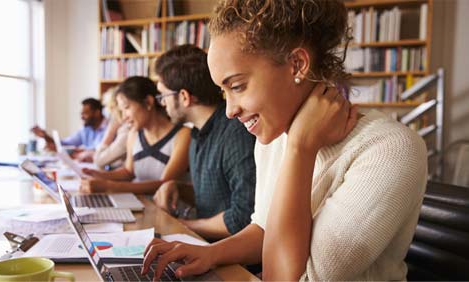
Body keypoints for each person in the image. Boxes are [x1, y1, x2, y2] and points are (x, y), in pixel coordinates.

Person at [142, 0, 428, 281]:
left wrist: (300, 149)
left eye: (238, 86)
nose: (229, 111)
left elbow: (288, 278)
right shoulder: (274, 134)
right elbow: (265, 230)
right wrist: (209, 254)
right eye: (224, 92)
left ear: (297, 65)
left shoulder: (389, 149)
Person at [151, 44, 256, 240]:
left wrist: (183, 226)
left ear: (184, 97)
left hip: (234, 261)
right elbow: (218, 195)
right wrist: (179, 188)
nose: (162, 103)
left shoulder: (236, 133)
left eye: (163, 96)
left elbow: (244, 217)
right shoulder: (196, 133)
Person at [80, 76, 191, 195]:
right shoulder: (134, 134)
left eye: (126, 108)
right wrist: (98, 175)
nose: (124, 117)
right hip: (141, 205)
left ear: (148, 102)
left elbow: (163, 184)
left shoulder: (183, 135)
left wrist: (110, 186)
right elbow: (129, 172)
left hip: (167, 211)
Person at [31, 98, 108, 161]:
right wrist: (45, 136)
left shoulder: (108, 128)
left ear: (97, 113)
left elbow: (98, 152)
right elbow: (65, 144)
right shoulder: (86, 129)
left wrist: (73, 151)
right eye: (81, 114)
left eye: (85, 114)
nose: (82, 117)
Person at [93, 87, 129, 169]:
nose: (107, 111)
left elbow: (99, 160)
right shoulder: (121, 128)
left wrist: (110, 131)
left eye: (110, 107)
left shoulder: (126, 130)